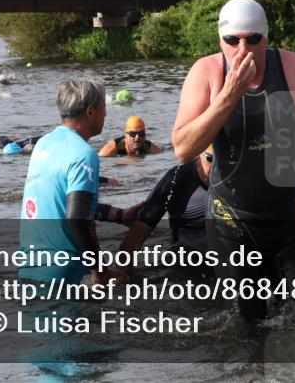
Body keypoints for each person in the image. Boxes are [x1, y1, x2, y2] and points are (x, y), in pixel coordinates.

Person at [171, 0, 295, 322]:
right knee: (247, 324)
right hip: (231, 223)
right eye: (232, 40)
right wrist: (228, 95)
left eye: (252, 39)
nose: (242, 49)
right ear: (221, 40)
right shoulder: (207, 73)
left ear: (266, 37)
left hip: (289, 221)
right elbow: (183, 148)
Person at [19, 79, 111, 283]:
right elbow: (77, 217)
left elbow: (58, 202)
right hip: (66, 273)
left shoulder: (43, 145)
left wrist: (118, 215)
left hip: (28, 268)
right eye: (104, 107)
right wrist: (99, 269)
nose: (106, 113)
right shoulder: (84, 154)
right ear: (90, 111)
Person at [108, 148, 215, 280]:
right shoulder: (177, 179)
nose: (218, 167)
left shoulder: (239, 179)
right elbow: (133, 240)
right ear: (199, 153)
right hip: (188, 264)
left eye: (224, 160)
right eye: (211, 159)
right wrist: (121, 277)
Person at [98, 115, 163, 160]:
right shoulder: (112, 148)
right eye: (133, 134)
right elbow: (101, 157)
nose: (137, 138)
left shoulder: (150, 147)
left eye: (141, 134)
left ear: (145, 135)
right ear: (126, 135)